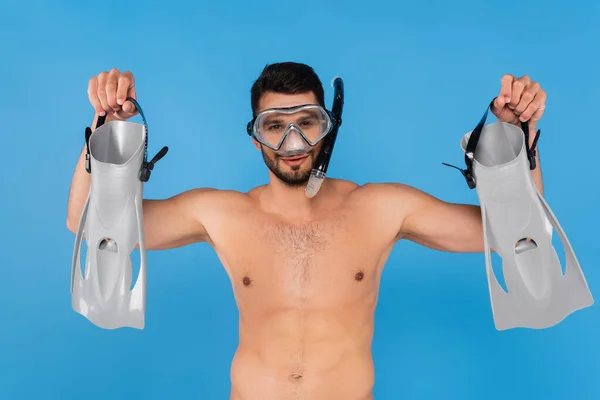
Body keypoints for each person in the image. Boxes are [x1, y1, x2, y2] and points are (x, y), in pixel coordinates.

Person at [66, 62, 547, 400]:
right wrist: (108, 128)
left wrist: (511, 136)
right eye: (274, 125)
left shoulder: (381, 207)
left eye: (307, 122)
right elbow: (88, 224)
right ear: (255, 137)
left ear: (328, 127)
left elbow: (514, 235)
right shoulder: (221, 214)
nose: (293, 141)